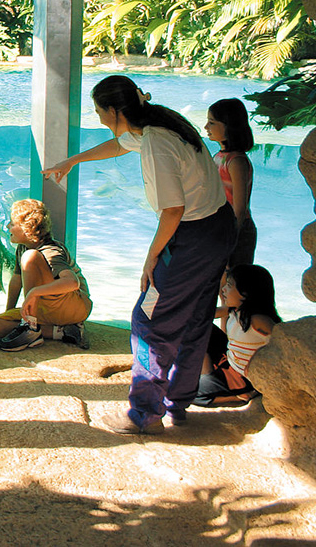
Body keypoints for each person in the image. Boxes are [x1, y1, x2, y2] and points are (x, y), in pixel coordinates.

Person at [43, 75, 236, 435]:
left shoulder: (156, 145)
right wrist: (72, 161)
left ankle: (145, 414)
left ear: (115, 110)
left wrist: (152, 256)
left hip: (191, 238)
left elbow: (173, 210)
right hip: (218, 228)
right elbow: (119, 144)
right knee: (194, 318)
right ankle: (178, 404)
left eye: (100, 111)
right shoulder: (162, 122)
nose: (99, 117)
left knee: (149, 321)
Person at [0, 199, 92, 352]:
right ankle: (64, 332)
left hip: (75, 306)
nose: (8, 226)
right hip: (48, 308)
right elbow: (16, 282)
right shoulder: (22, 249)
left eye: (12, 223)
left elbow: (72, 283)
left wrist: (34, 293)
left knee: (30, 257)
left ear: (27, 228)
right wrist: (8, 311)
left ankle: (31, 329)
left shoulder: (51, 250)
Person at [194, 264, 280, 407]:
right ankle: (208, 376)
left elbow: (282, 340)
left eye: (229, 286)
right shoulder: (235, 310)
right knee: (199, 327)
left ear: (245, 293)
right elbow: (203, 316)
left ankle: (241, 396)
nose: (223, 290)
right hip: (229, 360)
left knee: (188, 393)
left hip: (240, 377)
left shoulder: (258, 320)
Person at [205, 98, 256, 269]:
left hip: (237, 231)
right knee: (220, 284)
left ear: (228, 125)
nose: (206, 127)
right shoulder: (220, 157)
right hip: (222, 228)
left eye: (211, 123)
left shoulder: (236, 162)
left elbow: (240, 209)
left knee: (233, 283)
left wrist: (227, 243)